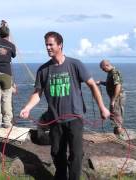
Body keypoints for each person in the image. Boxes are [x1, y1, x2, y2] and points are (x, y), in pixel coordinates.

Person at [20, 31, 110, 180]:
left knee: (76, 154)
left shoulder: (75, 64)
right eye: (46, 45)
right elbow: (37, 93)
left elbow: (92, 85)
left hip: (75, 118)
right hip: (54, 119)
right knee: (57, 152)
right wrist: (27, 107)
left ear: (60, 45)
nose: (48, 48)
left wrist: (102, 107)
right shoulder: (43, 70)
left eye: (51, 44)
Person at [96, 60, 126, 135]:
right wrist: (101, 82)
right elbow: (110, 84)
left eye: (103, 68)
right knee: (114, 114)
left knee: (116, 114)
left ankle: (119, 134)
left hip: (117, 97)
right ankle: (118, 132)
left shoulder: (114, 72)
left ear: (107, 65)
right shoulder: (110, 72)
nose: (103, 70)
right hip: (115, 97)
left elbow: (118, 86)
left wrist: (113, 100)